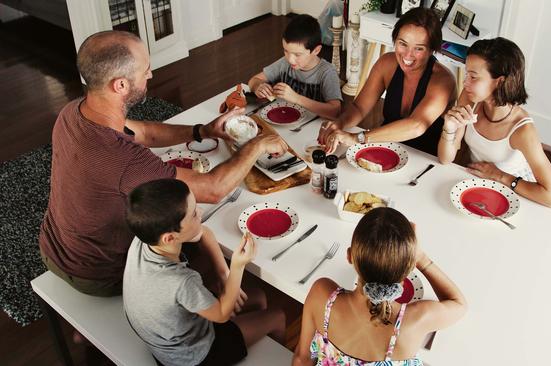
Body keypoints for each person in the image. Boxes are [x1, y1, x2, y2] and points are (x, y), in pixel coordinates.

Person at [39, 30, 288, 297]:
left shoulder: (73, 112)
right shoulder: (121, 157)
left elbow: (144, 132)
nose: (150, 75)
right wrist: (258, 143)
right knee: (191, 234)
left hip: (54, 248)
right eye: (145, 69)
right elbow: (214, 189)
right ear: (120, 85)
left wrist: (202, 131)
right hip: (100, 273)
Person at [124, 179, 285, 366]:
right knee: (278, 317)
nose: (200, 213)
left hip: (166, 336)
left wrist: (223, 272)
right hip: (192, 356)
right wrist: (237, 266)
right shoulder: (181, 282)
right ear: (169, 237)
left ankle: (251, 337)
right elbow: (222, 314)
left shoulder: (145, 238)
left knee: (257, 297)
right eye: (193, 214)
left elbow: (204, 232)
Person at [292, 207, 467, 365]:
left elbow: (301, 359)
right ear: (411, 268)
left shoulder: (321, 294)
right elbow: (459, 304)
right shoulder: (416, 319)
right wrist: (422, 259)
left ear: (350, 257)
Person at [437, 37, 551, 208]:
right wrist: (449, 127)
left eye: (473, 77)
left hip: (518, 191)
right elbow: (445, 158)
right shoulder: (470, 98)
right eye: (467, 74)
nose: (465, 82)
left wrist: (500, 176)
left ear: (500, 81)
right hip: (480, 182)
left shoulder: (523, 130)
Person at [319, 7, 455, 156]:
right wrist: (340, 123)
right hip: (387, 146)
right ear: (395, 40)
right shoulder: (387, 64)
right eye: (402, 44)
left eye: (419, 49)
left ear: (431, 50)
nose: (408, 55)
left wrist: (358, 138)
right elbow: (359, 107)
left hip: (424, 159)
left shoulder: (443, 80)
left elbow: (417, 125)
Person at [248, 14, 342, 120]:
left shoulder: (327, 72)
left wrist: (296, 98)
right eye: (286, 51)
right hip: (284, 118)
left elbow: (335, 111)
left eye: (297, 55)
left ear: (316, 50)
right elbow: (254, 80)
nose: (290, 59)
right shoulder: (285, 62)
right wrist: (258, 87)